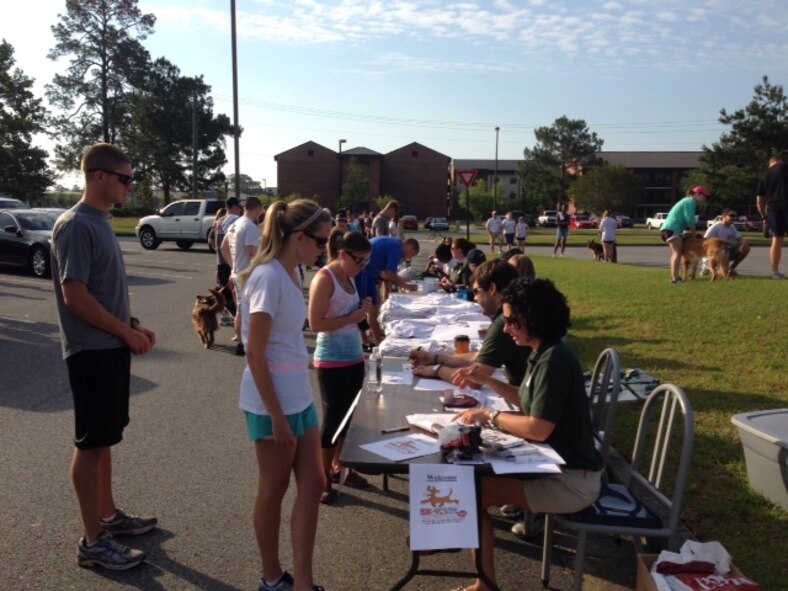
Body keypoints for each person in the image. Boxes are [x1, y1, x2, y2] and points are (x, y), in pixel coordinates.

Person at [451, 278, 604, 591]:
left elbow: (538, 426)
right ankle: (482, 579)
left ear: (532, 319)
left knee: (471, 492)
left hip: (571, 482)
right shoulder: (544, 351)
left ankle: (485, 585)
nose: (506, 329)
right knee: (472, 481)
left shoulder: (555, 359)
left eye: (511, 321)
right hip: (557, 468)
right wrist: (487, 380)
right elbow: (528, 399)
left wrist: (489, 414)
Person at [51, 143, 157, 571]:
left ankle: (109, 517)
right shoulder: (75, 225)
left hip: (111, 345)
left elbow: (101, 290)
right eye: (125, 179)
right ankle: (92, 542)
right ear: (100, 177)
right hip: (91, 351)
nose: (131, 187)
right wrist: (124, 334)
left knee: (106, 437)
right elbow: (74, 295)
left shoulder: (100, 221)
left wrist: (132, 324)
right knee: (91, 442)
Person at [236, 199, 332, 591]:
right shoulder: (269, 277)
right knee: (272, 491)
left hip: (299, 399)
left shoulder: (291, 274)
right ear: (298, 237)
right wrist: (276, 415)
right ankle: (272, 578)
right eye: (321, 242)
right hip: (271, 404)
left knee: (314, 485)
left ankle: (303, 584)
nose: (323, 250)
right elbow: (254, 351)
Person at [308, 230, 373, 504]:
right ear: (343, 254)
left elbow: (348, 316)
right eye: (359, 261)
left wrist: (362, 315)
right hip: (331, 359)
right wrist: (354, 316)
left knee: (350, 417)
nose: (362, 267)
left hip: (353, 356)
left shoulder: (349, 275)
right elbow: (316, 324)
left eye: (366, 262)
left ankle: (339, 466)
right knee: (333, 420)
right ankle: (322, 476)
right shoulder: (325, 278)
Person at [410, 259, 528, 388]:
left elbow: (474, 380)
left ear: (492, 289)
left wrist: (436, 370)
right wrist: (434, 358)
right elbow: (481, 356)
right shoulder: (517, 312)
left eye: (476, 291)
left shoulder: (505, 322)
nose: (475, 298)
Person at [355, 237, 420, 345]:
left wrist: (402, 282)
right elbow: (389, 275)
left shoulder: (393, 243)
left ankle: (367, 338)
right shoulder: (396, 247)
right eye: (411, 254)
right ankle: (378, 342)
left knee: (370, 306)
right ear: (409, 246)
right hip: (364, 273)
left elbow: (387, 274)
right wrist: (406, 287)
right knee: (372, 309)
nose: (409, 257)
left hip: (367, 273)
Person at [221, 197, 263, 354]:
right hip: (247, 274)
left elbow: (223, 247)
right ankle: (248, 342)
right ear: (256, 209)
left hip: (237, 272)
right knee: (250, 309)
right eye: (260, 211)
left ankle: (240, 343)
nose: (261, 214)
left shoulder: (234, 224)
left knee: (241, 309)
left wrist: (233, 266)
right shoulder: (250, 226)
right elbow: (252, 251)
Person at [661, 186, 711, 284]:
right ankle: (675, 279)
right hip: (672, 229)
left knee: (676, 254)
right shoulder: (690, 202)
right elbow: (689, 219)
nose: (705, 198)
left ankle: (674, 277)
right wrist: (694, 234)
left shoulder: (687, 201)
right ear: (698, 194)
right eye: (704, 196)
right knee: (676, 254)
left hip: (669, 229)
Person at [756, 154, 787, 279]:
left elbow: (759, 200)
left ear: (770, 163)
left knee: (777, 239)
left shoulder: (765, 175)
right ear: (780, 161)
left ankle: (775, 271)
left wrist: (764, 216)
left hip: (773, 209)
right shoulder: (786, 167)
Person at [704, 209, 750, 276]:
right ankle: (707, 266)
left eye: (735, 216)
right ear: (724, 216)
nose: (734, 217)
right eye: (732, 215)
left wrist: (743, 244)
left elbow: (740, 239)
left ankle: (731, 269)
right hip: (714, 253)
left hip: (725, 252)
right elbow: (704, 241)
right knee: (722, 274)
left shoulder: (732, 227)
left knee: (746, 248)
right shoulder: (715, 227)